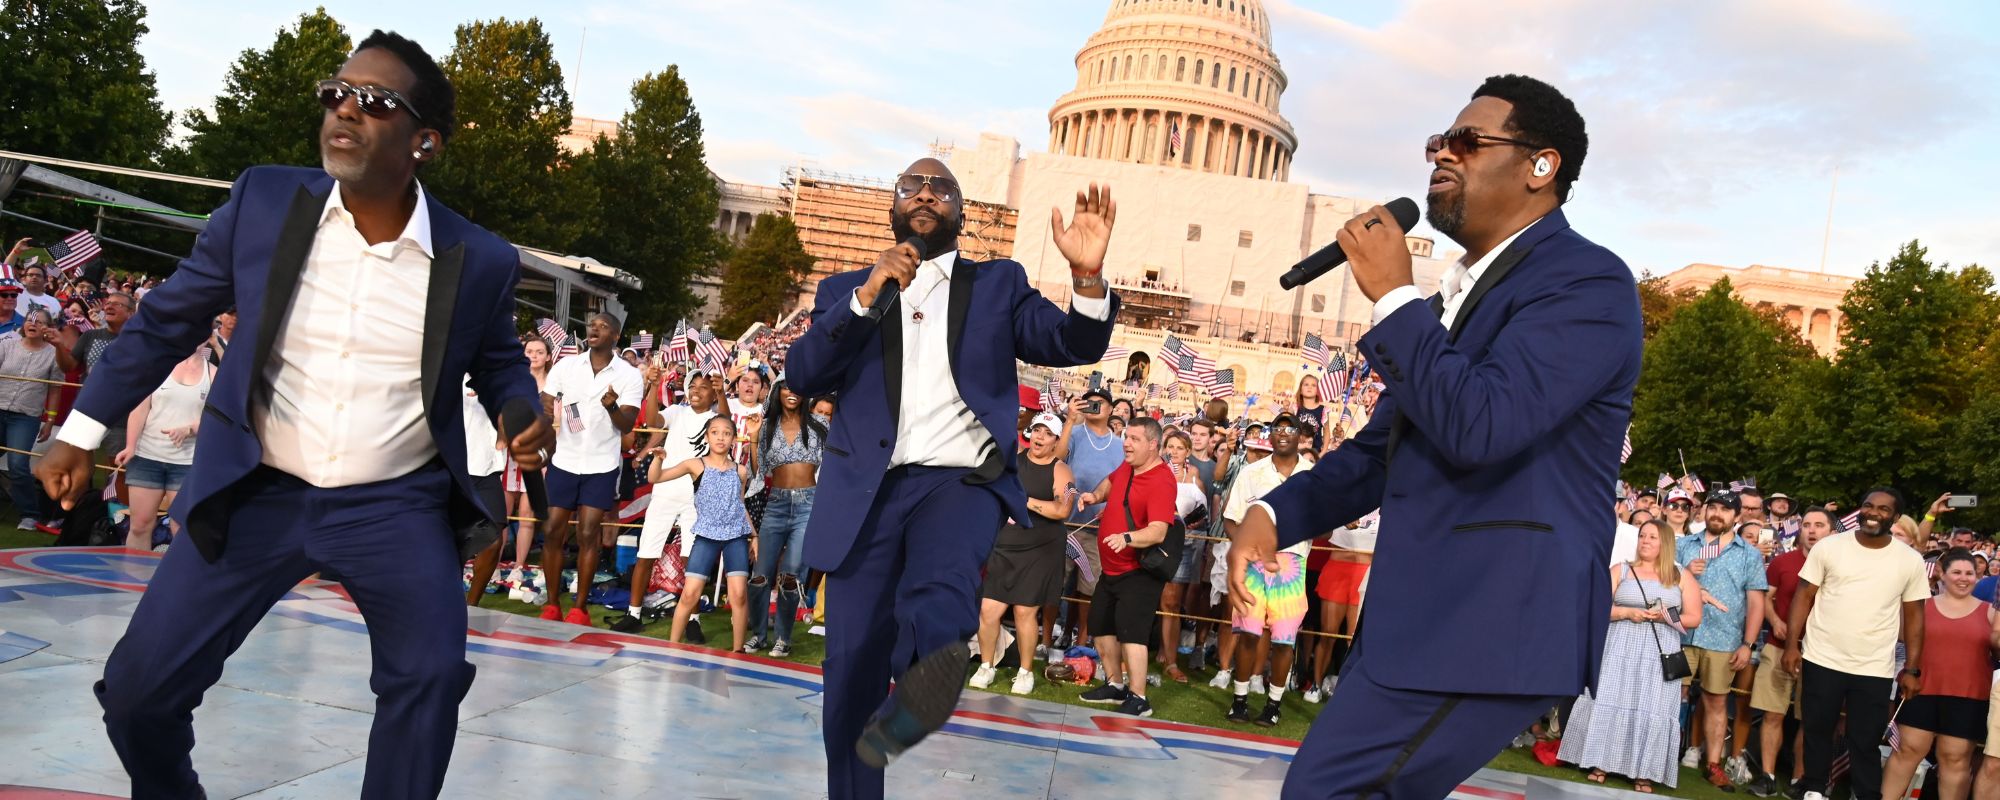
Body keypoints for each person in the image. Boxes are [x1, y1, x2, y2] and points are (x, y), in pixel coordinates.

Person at [34, 30, 554, 798]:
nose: (345, 110)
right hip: (258, 490)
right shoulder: (266, 201)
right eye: (335, 93)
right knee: (139, 693)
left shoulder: (478, 257)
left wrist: (519, 407)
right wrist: (80, 432)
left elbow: (501, 360)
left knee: (431, 677)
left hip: (393, 505)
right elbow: (166, 319)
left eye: (376, 102)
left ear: (425, 141)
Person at [1226, 75, 1643, 797]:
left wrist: (1393, 297)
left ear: (1542, 166)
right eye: (1438, 143)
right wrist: (1272, 514)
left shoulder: (1586, 284)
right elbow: (1382, 452)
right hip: (1424, 620)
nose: (1442, 157)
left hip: (1491, 621)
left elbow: (1481, 426)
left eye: (1467, 143)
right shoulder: (1463, 295)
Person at [784, 155, 1117, 798]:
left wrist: (1088, 277)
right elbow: (802, 376)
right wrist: (864, 297)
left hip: (957, 483)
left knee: (940, 604)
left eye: (943, 188)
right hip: (865, 492)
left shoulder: (997, 285)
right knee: (848, 672)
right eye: (914, 186)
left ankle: (920, 696)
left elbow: (1071, 343)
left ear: (962, 211)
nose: (928, 194)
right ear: (895, 204)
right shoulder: (847, 291)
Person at [1782, 488, 1930, 800]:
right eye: (1868, 505)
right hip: (1822, 657)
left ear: (1895, 516)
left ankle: (1866, 795)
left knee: (1864, 739)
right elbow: (1803, 596)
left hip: (1874, 666)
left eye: (1883, 509)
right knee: (1817, 729)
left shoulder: (1910, 560)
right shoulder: (1830, 547)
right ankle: (1813, 790)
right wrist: (1792, 646)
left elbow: (1915, 617)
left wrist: (1912, 669)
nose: (1873, 512)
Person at [1559, 519, 1704, 793]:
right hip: (1618, 646)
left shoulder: (1680, 576)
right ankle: (1599, 762)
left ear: (1665, 543)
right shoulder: (1621, 570)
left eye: (1652, 537)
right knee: (1610, 697)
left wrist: (1664, 617)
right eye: (1642, 536)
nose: (1645, 541)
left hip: (1661, 649)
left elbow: (1694, 617)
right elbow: (1596, 607)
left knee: (1653, 706)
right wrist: (1626, 613)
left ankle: (1644, 771)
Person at [536, 312, 643, 626]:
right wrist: (543, 424)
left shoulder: (628, 375)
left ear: (616, 337)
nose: (594, 328)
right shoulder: (567, 366)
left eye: (604, 326)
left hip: (602, 464)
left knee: (587, 533)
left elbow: (627, 425)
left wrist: (611, 407)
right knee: (552, 529)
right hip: (564, 460)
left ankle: (579, 608)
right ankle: (552, 604)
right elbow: (545, 402)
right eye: (592, 324)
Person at [1075, 416, 1176, 718]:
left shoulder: (1162, 480)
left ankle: (1139, 696)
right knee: (1101, 624)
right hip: (1112, 568)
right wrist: (1095, 495)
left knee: (1133, 633)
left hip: (1138, 571)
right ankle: (1115, 684)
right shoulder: (1129, 467)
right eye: (1126, 437)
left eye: (1134, 439)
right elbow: (1111, 482)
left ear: (1153, 445)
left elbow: (1158, 530)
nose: (1126, 443)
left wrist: (1127, 537)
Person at [971, 412, 1074, 695]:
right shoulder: (1012, 462)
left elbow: (1062, 509)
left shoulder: (1061, 470)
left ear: (1056, 441)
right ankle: (986, 665)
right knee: (988, 609)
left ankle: (1025, 671)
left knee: (1025, 611)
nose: (1039, 437)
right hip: (1005, 544)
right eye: (1036, 431)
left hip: (1040, 549)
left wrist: (1022, 500)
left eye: (1047, 433)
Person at [1222, 413, 1313, 727]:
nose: (1284, 433)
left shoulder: (1314, 475)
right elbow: (1231, 518)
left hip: (1292, 565)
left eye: (1290, 428)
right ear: (1270, 435)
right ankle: (1240, 700)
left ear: (1300, 434)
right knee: (1247, 633)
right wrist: (1246, 550)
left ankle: (1273, 705)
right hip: (1255, 566)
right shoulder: (1251, 472)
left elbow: (1325, 526)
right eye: (1278, 428)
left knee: (1284, 640)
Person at [610, 369, 717, 632]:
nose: (696, 390)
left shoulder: (717, 419)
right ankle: (634, 614)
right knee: (647, 552)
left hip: (697, 496)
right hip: (665, 491)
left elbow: (724, 416)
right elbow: (651, 420)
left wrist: (722, 393)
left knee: (691, 560)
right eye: (693, 385)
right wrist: (653, 387)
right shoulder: (677, 412)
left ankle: (693, 620)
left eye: (704, 387)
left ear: (714, 393)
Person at [1674, 489, 1767, 790]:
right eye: (1712, 507)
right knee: (1670, 693)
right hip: (1680, 634)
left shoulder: (1749, 555)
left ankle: (1713, 764)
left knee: (1716, 701)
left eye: (1725, 509)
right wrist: (1684, 574)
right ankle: (1658, 752)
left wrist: (1748, 644)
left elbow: (1755, 603)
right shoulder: (1683, 546)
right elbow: (1660, 583)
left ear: (1737, 517)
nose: (1717, 513)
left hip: (1724, 639)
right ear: (1703, 512)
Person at [1883, 548, 1992, 800]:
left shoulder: (1989, 612)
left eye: (1969, 573)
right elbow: (1899, 634)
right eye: (1956, 572)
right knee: (1907, 751)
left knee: (1954, 760)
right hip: (1922, 689)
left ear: (1977, 576)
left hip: (1968, 696)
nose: (1963, 578)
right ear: (1942, 574)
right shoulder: (1921, 606)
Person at [1747, 506, 1833, 797]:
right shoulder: (1783, 562)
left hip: (1821, 654)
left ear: (1831, 531)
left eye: (1819, 525)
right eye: (1807, 524)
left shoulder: (1839, 566)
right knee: (1772, 713)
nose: (1812, 530)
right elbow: (1766, 597)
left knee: (1810, 720)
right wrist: (1775, 621)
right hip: (1777, 645)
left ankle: (1799, 781)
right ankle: (1768, 776)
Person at [652, 416, 758, 649]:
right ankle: (672, 647)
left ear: (733, 438)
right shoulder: (695, 464)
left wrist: (754, 536)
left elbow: (740, 505)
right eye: (715, 432)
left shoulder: (740, 471)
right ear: (707, 436)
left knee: (739, 595)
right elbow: (655, 478)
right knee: (690, 594)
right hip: (706, 536)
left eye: (726, 433)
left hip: (735, 537)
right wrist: (658, 460)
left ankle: (738, 650)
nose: (721, 437)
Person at [745, 378, 823, 655]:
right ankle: (758, 633)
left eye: (798, 388)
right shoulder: (765, 427)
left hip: (808, 504)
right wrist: (753, 436)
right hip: (776, 503)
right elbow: (758, 471)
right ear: (778, 393)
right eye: (787, 388)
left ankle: (783, 638)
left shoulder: (819, 425)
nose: (792, 393)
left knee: (791, 576)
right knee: (760, 576)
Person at [113, 342, 212, 550]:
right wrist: (130, 446)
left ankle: (178, 581)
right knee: (139, 525)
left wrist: (190, 429)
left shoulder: (214, 374)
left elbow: (218, 419)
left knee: (181, 527)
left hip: (187, 462)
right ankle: (133, 579)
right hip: (147, 457)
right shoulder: (156, 367)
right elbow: (139, 409)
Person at [0, 307, 62, 529]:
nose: (32, 323)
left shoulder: (54, 354)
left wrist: (50, 419)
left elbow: (55, 389)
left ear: (48, 328)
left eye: (39, 321)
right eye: (29, 319)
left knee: (17, 464)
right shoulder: (6, 345)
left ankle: (29, 514)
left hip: (25, 417)